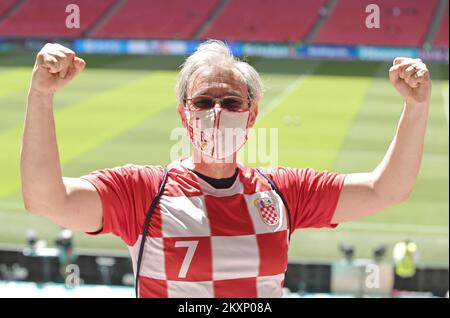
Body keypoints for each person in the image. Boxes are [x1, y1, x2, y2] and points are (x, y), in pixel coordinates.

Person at [20, 40, 432, 297]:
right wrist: (40, 94)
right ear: (185, 116)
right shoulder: (142, 192)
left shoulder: (285, 191)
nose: (217, 113)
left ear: (251, 116)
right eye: (203, 102)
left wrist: (415, 108)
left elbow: (386, 191)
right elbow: (44, 199)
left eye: (232, 103)